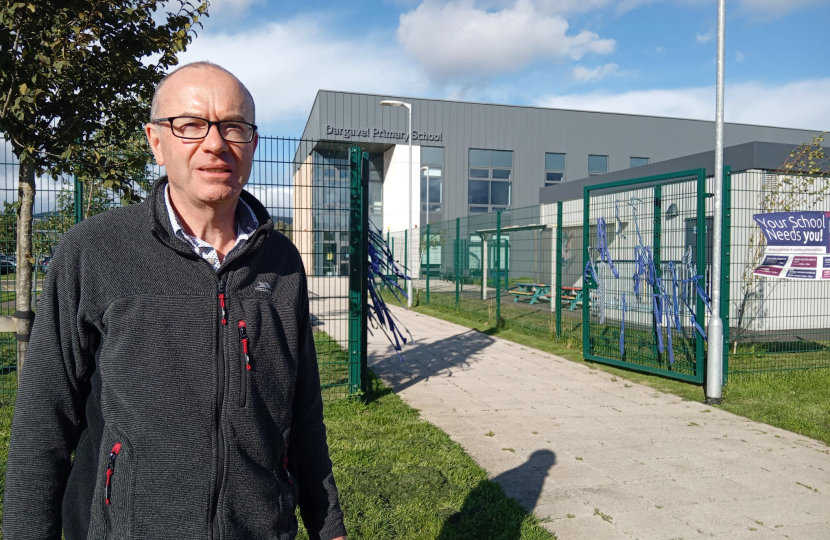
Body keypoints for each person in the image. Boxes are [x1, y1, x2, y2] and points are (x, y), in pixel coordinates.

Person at [3, 62, 347, 540]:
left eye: (234, 127)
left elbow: (304, 413)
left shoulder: (283, 262)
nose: (215, 144)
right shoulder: (95, 251)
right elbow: (45, 417)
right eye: (190, 125)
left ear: (252, 143)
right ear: (155, 142)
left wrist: (329, 527)